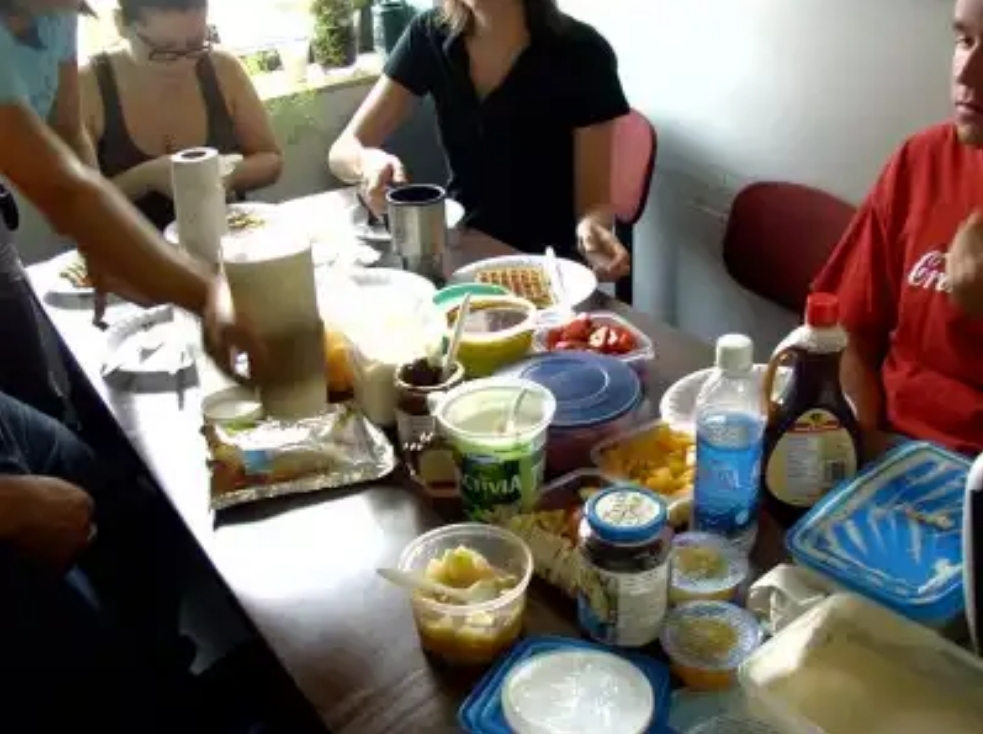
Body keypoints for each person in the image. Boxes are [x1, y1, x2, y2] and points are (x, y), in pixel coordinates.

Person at [0, 0, 261, 395]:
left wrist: (97, 242)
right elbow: (63, 191)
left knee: (36, 391)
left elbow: (68, 130)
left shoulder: (57, 13)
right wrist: (208, 295)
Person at [328, 0, 632, 283]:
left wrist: (592, 230)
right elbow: (341, 153)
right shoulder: (429, 34)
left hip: (548, 266)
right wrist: (367, 161)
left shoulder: (584, 53)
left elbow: (593, 204)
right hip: (460, 248)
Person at [812, 0, 983, 457]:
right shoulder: (921, 159)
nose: (967, 74)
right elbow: (847, 332)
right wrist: (862, 447)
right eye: (965, 40)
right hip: (888, 452)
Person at [80, 0, 282, 231]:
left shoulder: (223, 68)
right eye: (163, 49)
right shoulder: (87, 86)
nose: (182, 63)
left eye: (195, 44)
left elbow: (271, 159)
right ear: (121, 24)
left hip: (223, 238)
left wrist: (228, 174)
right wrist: (145, 178)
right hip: (126, 247)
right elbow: (78, 207)